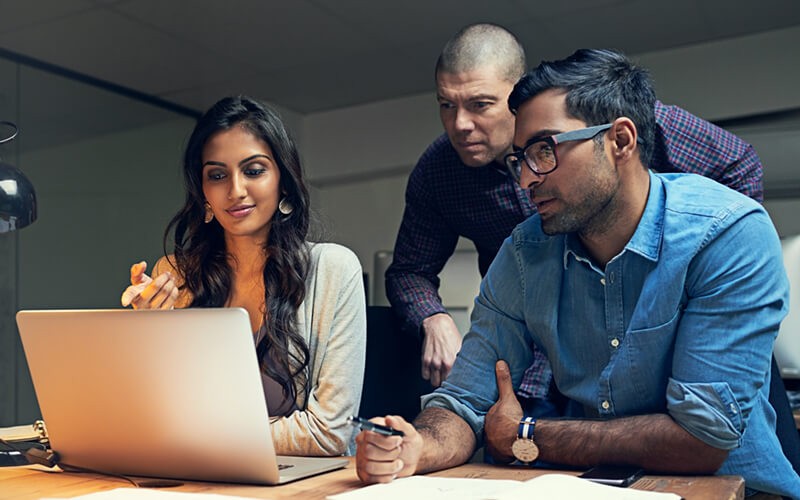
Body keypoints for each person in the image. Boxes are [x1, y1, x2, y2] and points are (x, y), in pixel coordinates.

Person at [356, 49, 800, 497]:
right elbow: (465, 399)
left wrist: (526, 434)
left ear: (621, 142)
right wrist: (417, 446)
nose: (526, 179)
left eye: (545, 150)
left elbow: (703, 437)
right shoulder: (525, 253)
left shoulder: (727, 233)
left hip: (736, 491)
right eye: (519, 159)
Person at [385, 23, 764, 390]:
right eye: (446, 105)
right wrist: (433, 318)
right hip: (533, 366)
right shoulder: (438, 172)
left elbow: (737, 165)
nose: (460, 124)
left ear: (519, 98)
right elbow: (409, 270)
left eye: (479, 104)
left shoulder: (612, 121)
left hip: (648, 350)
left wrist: (707, 284)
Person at [120, 95, 366, 456]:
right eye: (217, 175)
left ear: (283, 180)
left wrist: (200, 432)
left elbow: (328, 434)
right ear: (202, 192)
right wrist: (146, 334)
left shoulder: (333, 269)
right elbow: (153, 420)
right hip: (197, 479)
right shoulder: (173, 275)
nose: (235, 191)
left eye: (253, 170)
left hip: (298, 487)